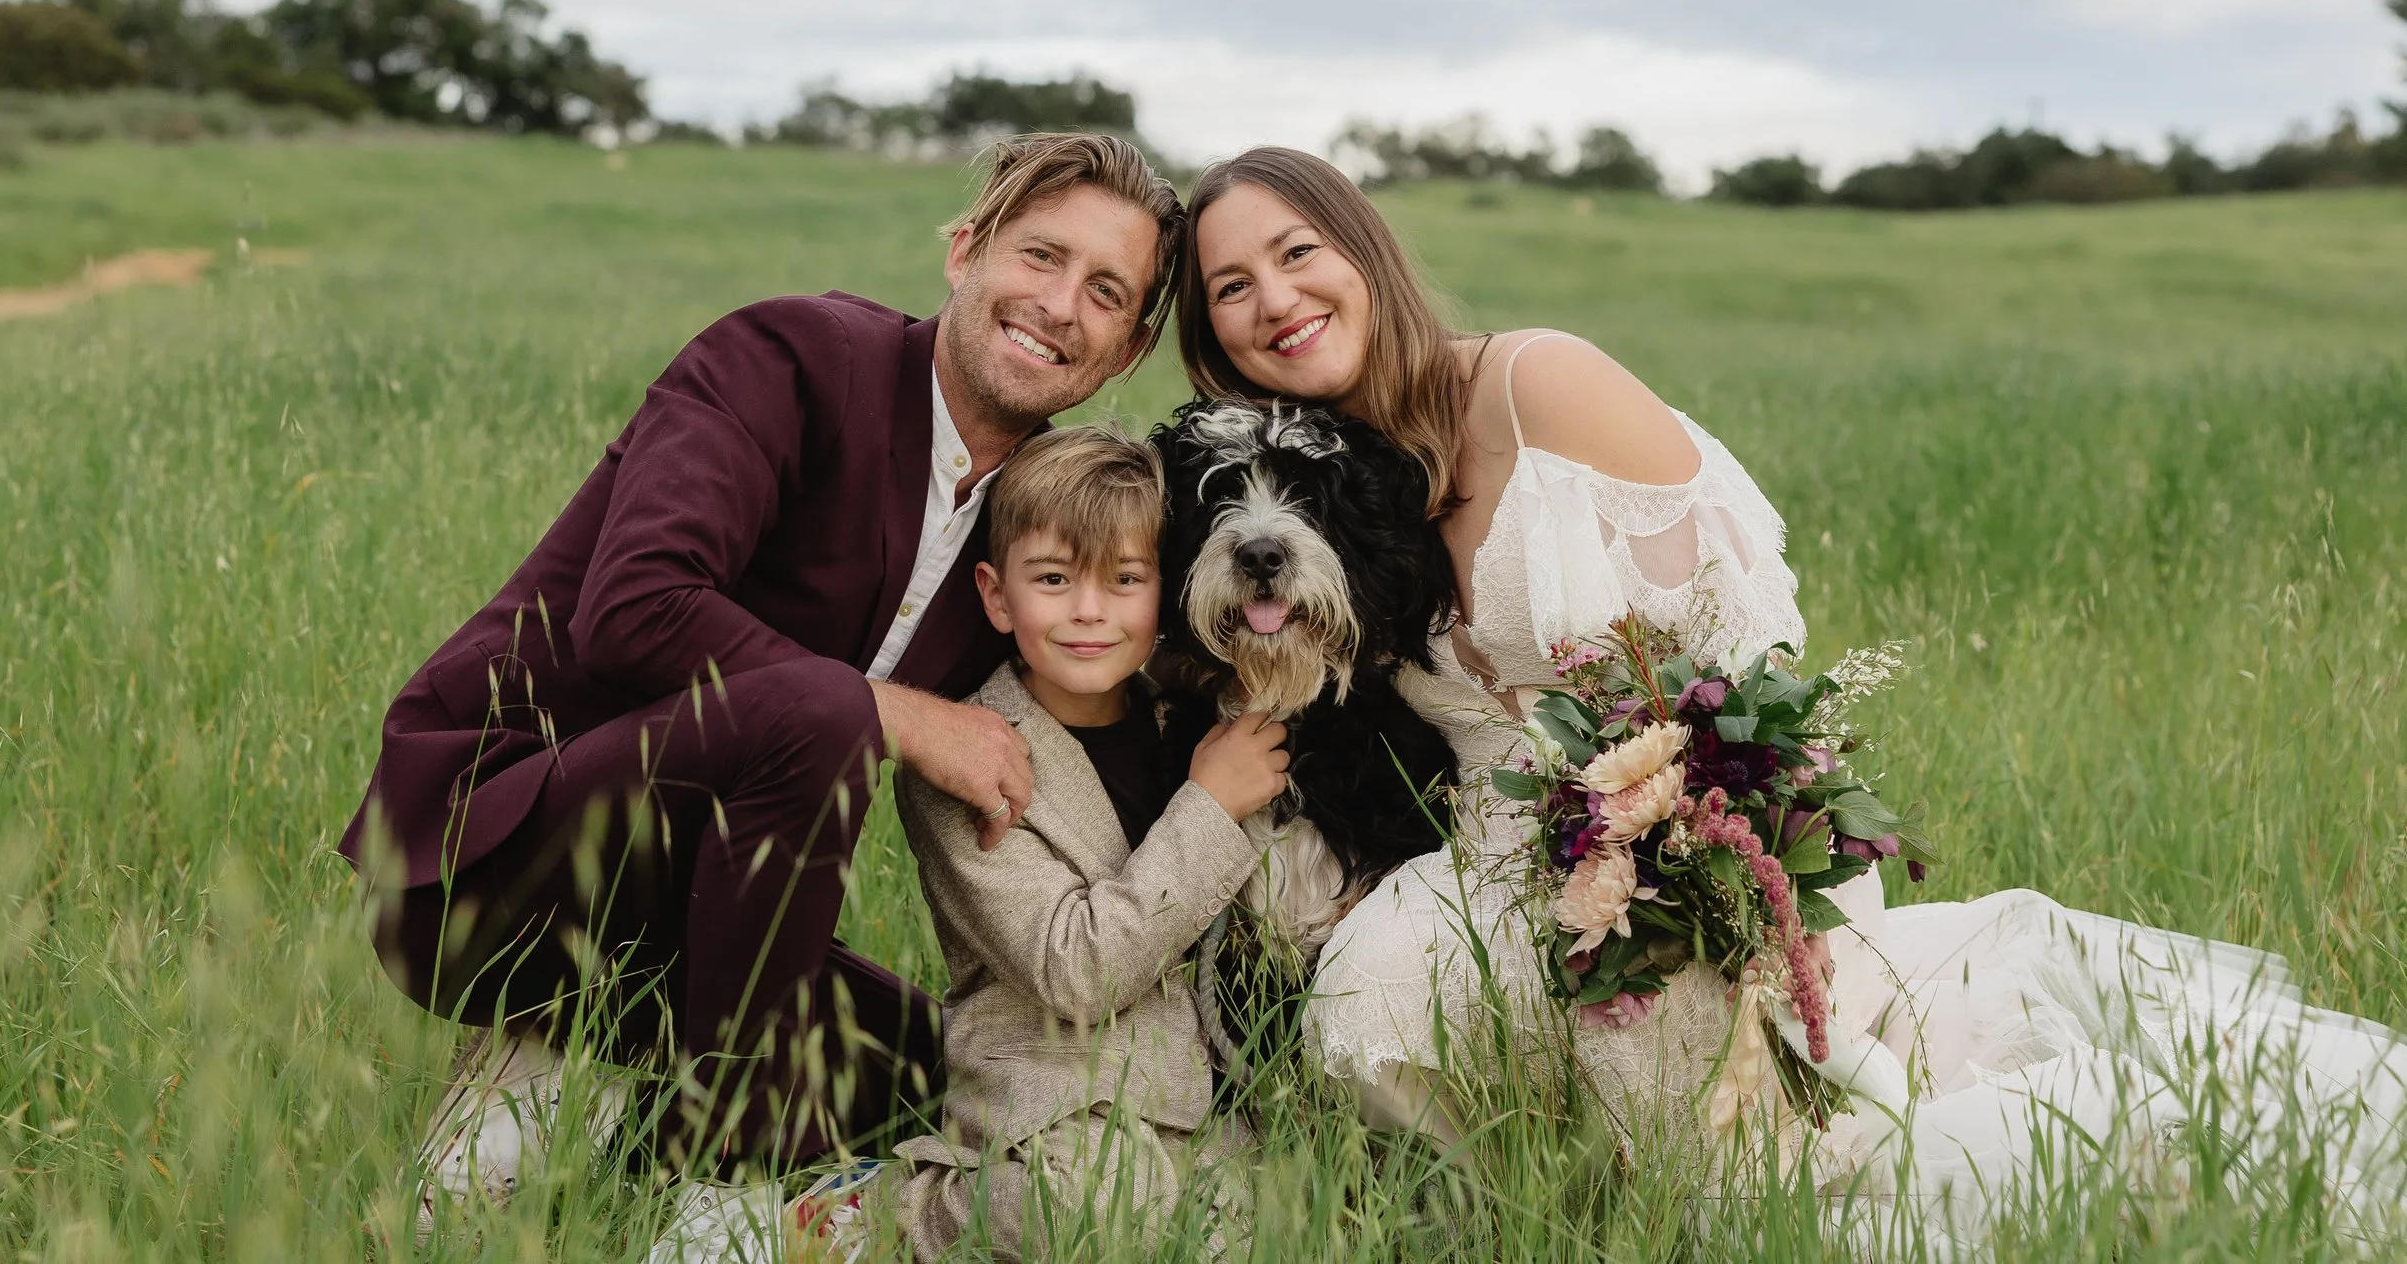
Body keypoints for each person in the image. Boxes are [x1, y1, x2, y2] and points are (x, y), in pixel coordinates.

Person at [1169, 145, 2407, 1241]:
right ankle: (1544, 1209)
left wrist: (1698, 838)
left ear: (1365, 253)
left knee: (1793, 1177)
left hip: (1703, 831)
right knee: (1373, 990)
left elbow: (1747, 650)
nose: (1275, 298)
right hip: (1503, 860)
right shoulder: (1327, 483)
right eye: (1233, 285)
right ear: (1213, 332)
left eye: (1296, 252)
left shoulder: (1536, 383)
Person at [336, 134, 1185, 1235]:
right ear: (965, 251)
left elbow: (1115, 677)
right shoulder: (789, 355)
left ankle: (573, 1143)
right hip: (487, 871)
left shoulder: (1034, 522)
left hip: (705, 937)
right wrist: (900, 713)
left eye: (1104, 291)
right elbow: (637, 606)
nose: (1060, 303)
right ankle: (718, 1202)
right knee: (825, 705)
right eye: (1040, 255)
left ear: (1130, 345)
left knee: (940, 1071)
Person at [651, 424, 1287, 1262]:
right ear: (995, 595)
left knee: (1278, 1218)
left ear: (1161, 588)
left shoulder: (1184, 719)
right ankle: (865, 1215)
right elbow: (1076, 969)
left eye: (1124, 580)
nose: (1089, 612)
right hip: (1052, 1118)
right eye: (1054, 580)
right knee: (1081, 1212)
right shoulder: (969, 762)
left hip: (1193, 1112)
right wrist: (1209, 805)